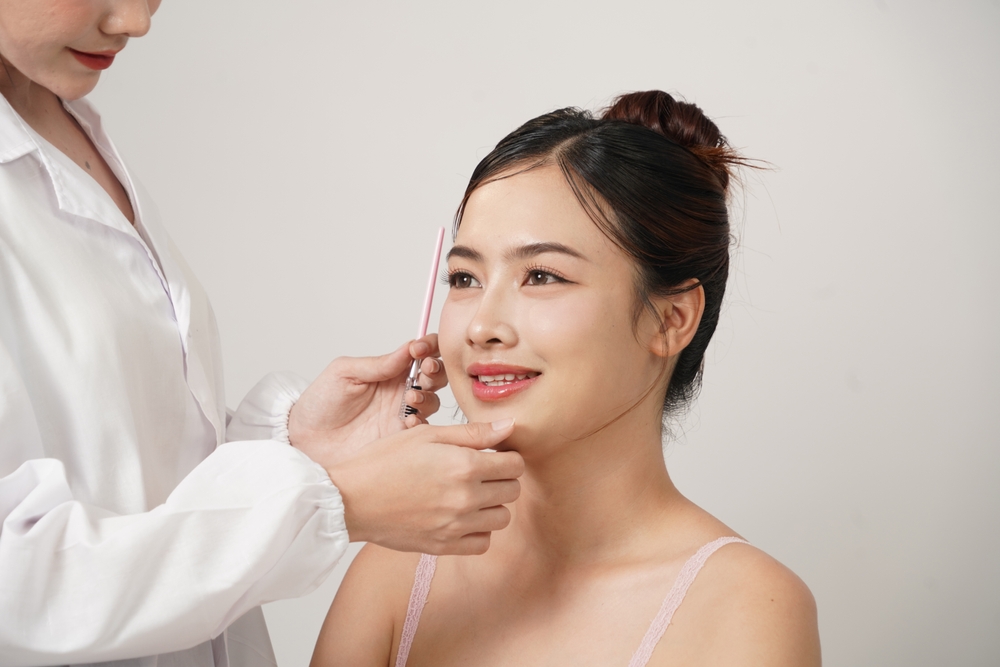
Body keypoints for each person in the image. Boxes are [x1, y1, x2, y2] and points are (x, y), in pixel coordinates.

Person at [0, 1, 524, 665]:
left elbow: (138, 466)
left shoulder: (64, 121)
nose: (136, 21)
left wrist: (300, 443)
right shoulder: (397, 591)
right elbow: (20, 589)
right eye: (466, 278)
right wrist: (335, 502)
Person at [312, 90, 822, 666]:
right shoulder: (396, 570)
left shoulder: (746, 607)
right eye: (464, 278)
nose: (480, 327)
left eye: (542, 276)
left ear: (671, 319)